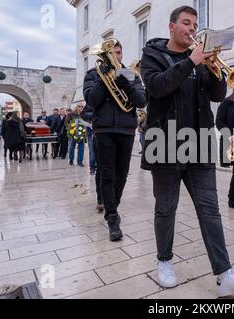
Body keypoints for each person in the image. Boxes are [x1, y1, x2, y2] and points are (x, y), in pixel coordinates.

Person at [140, 5, 234, 297]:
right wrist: (192, 61)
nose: (192, 29)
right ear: (171, 26)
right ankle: (164, 261)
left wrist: (214, 69)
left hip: (200, 141)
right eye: (186, 23)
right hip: (164, 140)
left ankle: (224, 273)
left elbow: (218, 95)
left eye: (194, 24)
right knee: (166, 208)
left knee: (210, 209)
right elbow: (156, 87)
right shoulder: (153, 55)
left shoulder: (201, 58)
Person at [84, 39, 146, 241]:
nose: (116, 56)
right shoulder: (93, 74)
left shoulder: (129, 73)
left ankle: (113, 208)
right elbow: (92, 101)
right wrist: (105, 78)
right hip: (104, 130)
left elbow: (141, 100)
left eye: (118, 52)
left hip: (126, 130)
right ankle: (112, 217)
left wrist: (126, 85)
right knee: (107, 175)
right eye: (112, 53)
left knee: (122, 174)